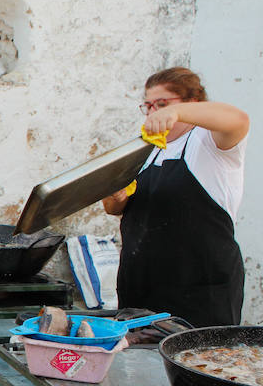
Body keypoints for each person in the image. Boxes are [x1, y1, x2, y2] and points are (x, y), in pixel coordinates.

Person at [101, 66, 250, 327]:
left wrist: (175, 112)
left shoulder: (210, 143)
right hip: (141, 289)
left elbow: (238, 119)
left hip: (199, 292)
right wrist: (116, 198)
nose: (153, 112)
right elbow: (114, 208)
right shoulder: (148, 150)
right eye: (148, 106)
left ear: (192, 103)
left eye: (162, 104)